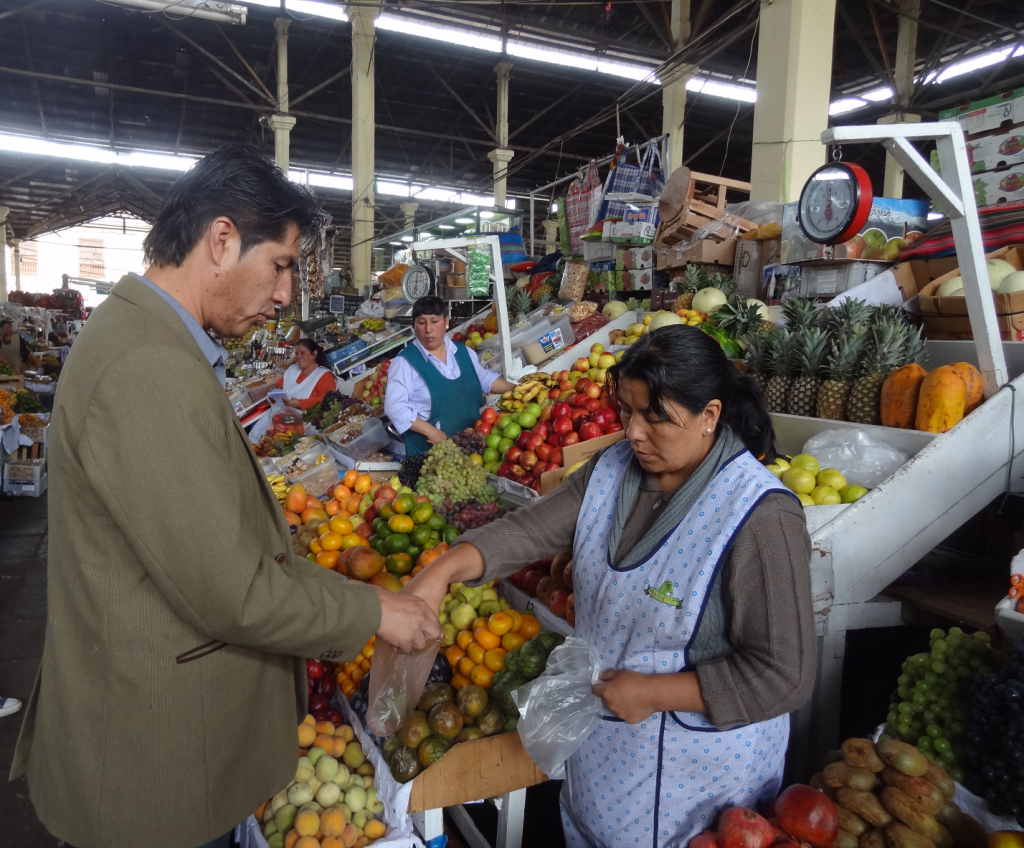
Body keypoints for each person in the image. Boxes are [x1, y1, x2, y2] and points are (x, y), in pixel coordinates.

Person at [9, 144, 441, 848]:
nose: (283, 296)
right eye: (281, 266)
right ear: (221, 239)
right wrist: (372, 609)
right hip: (154, 769)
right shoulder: (148, 366)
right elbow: (231, 591)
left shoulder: (142, 338)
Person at [406, 325, 816, 847]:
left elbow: (783, 675)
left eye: (656, 418)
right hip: (604, 767)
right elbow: (530, 528)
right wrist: (440, 571)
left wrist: (655, 692)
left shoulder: (760, 517)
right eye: (627, 410)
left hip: (700, 799)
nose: (633, 433)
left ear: (710, 416)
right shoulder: (611, 471)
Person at [384, 296, 516, 454]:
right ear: (414, 325)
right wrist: (431, 432)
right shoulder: (404, 363)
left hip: (471, 445)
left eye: (434, 321)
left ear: (446, 321)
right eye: (421, 322)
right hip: (430, 453)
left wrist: (517, 389)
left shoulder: (463, 352)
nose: (428, 329)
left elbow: (486, 380)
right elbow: (395, 408)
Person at [276, 337, 337, 410]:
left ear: (314, 354)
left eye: (302, 353)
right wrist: (275, 388)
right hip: (280, 414)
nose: (299, 357)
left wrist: (299, 404)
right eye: (297, 353)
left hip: (305, 419)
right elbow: (279, 385)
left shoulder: (325, 376)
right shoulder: (292, 369)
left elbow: (326, 400)